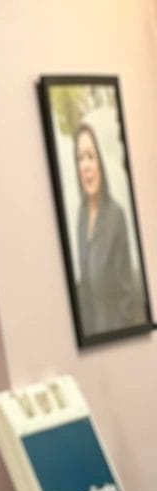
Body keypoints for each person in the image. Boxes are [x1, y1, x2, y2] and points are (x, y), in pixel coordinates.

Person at [72, 122, 145, 337]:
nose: (86, 166)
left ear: (100, 163)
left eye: (90, 156)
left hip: (117, 336)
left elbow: (126, 301)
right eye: (80, 158)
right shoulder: (81, 217)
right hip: (91, 338)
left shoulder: (115, 217)